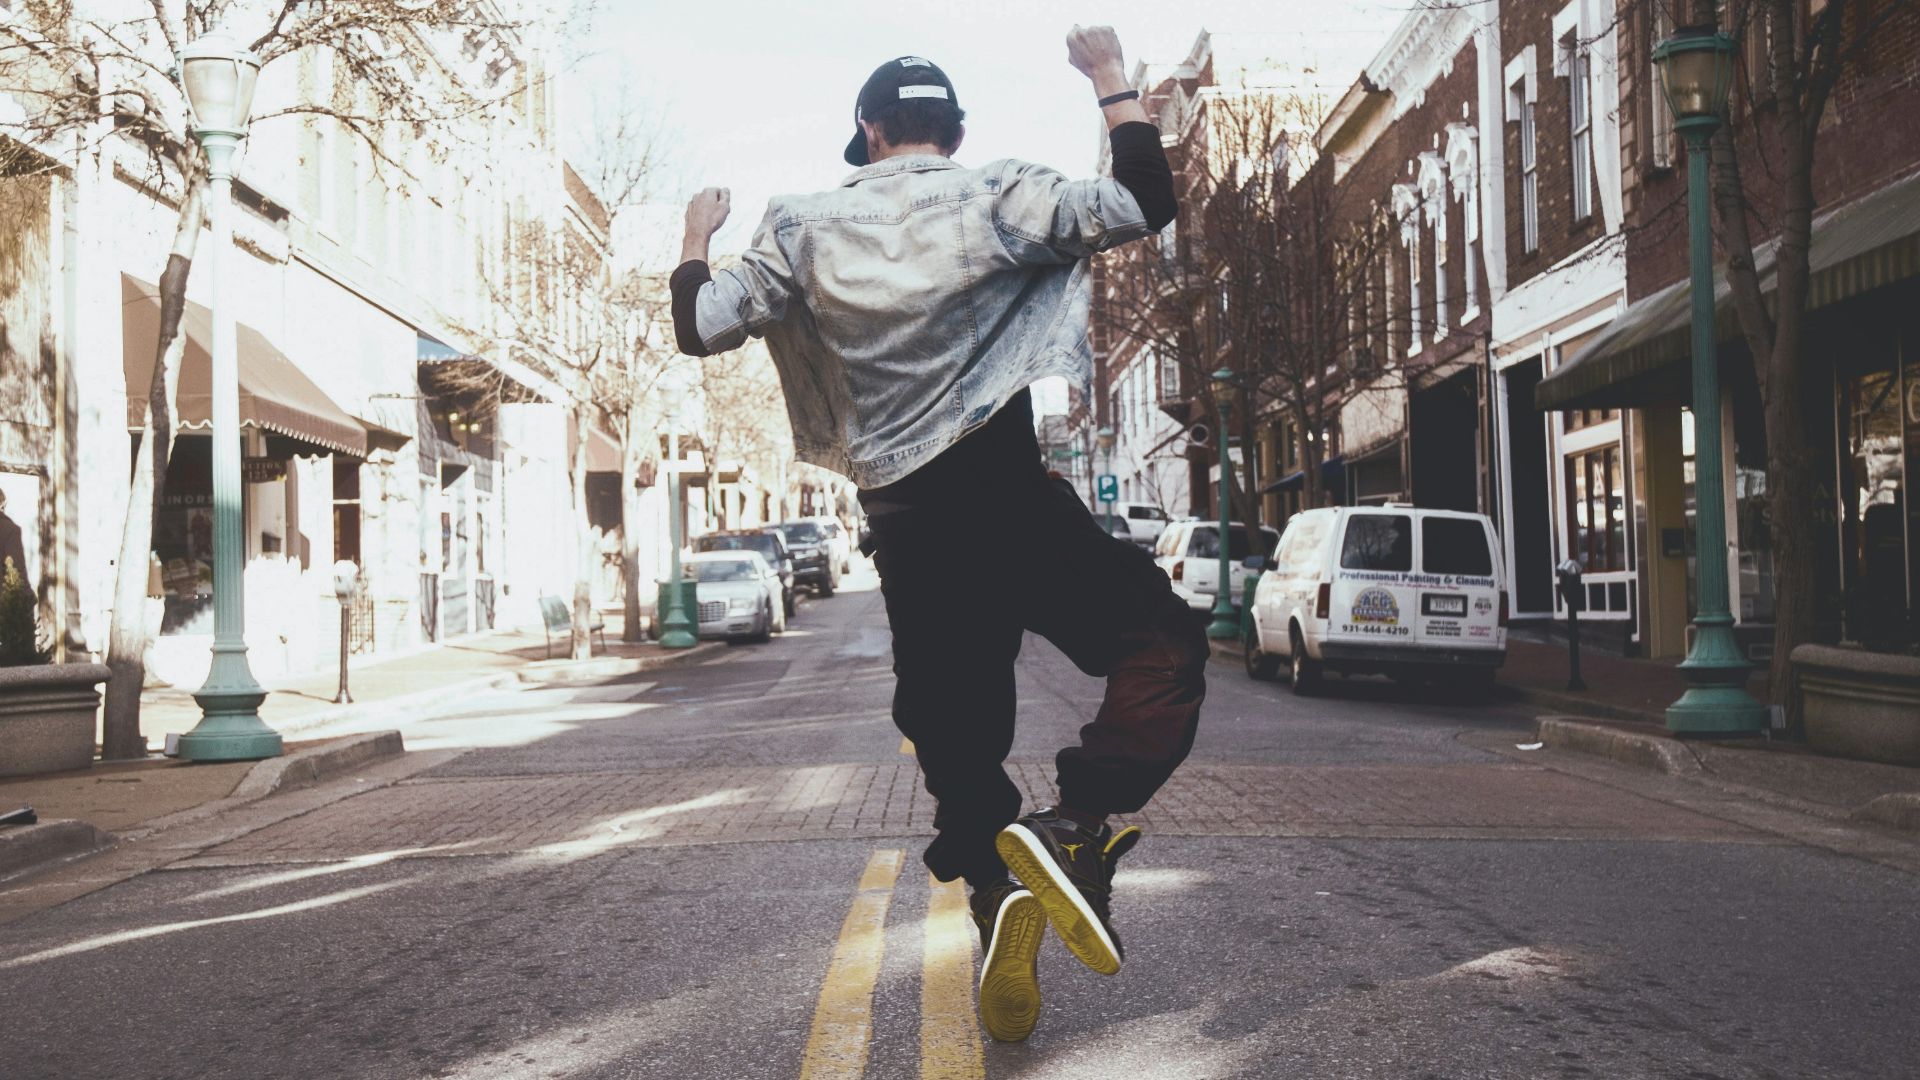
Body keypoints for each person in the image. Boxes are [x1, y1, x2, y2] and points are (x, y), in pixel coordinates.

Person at [670, 26, 1205, 1042]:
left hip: (909, 530)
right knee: (1163, 646)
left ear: (869, 133)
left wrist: (698, 234)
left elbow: (700, 326)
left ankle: (1001, 892)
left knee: (958, 746)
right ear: (951, 133)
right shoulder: (1000, 192)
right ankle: (1077, 823)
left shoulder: (802, 224)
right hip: (1009, 498)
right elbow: (1144, 200)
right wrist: (1108, 81)